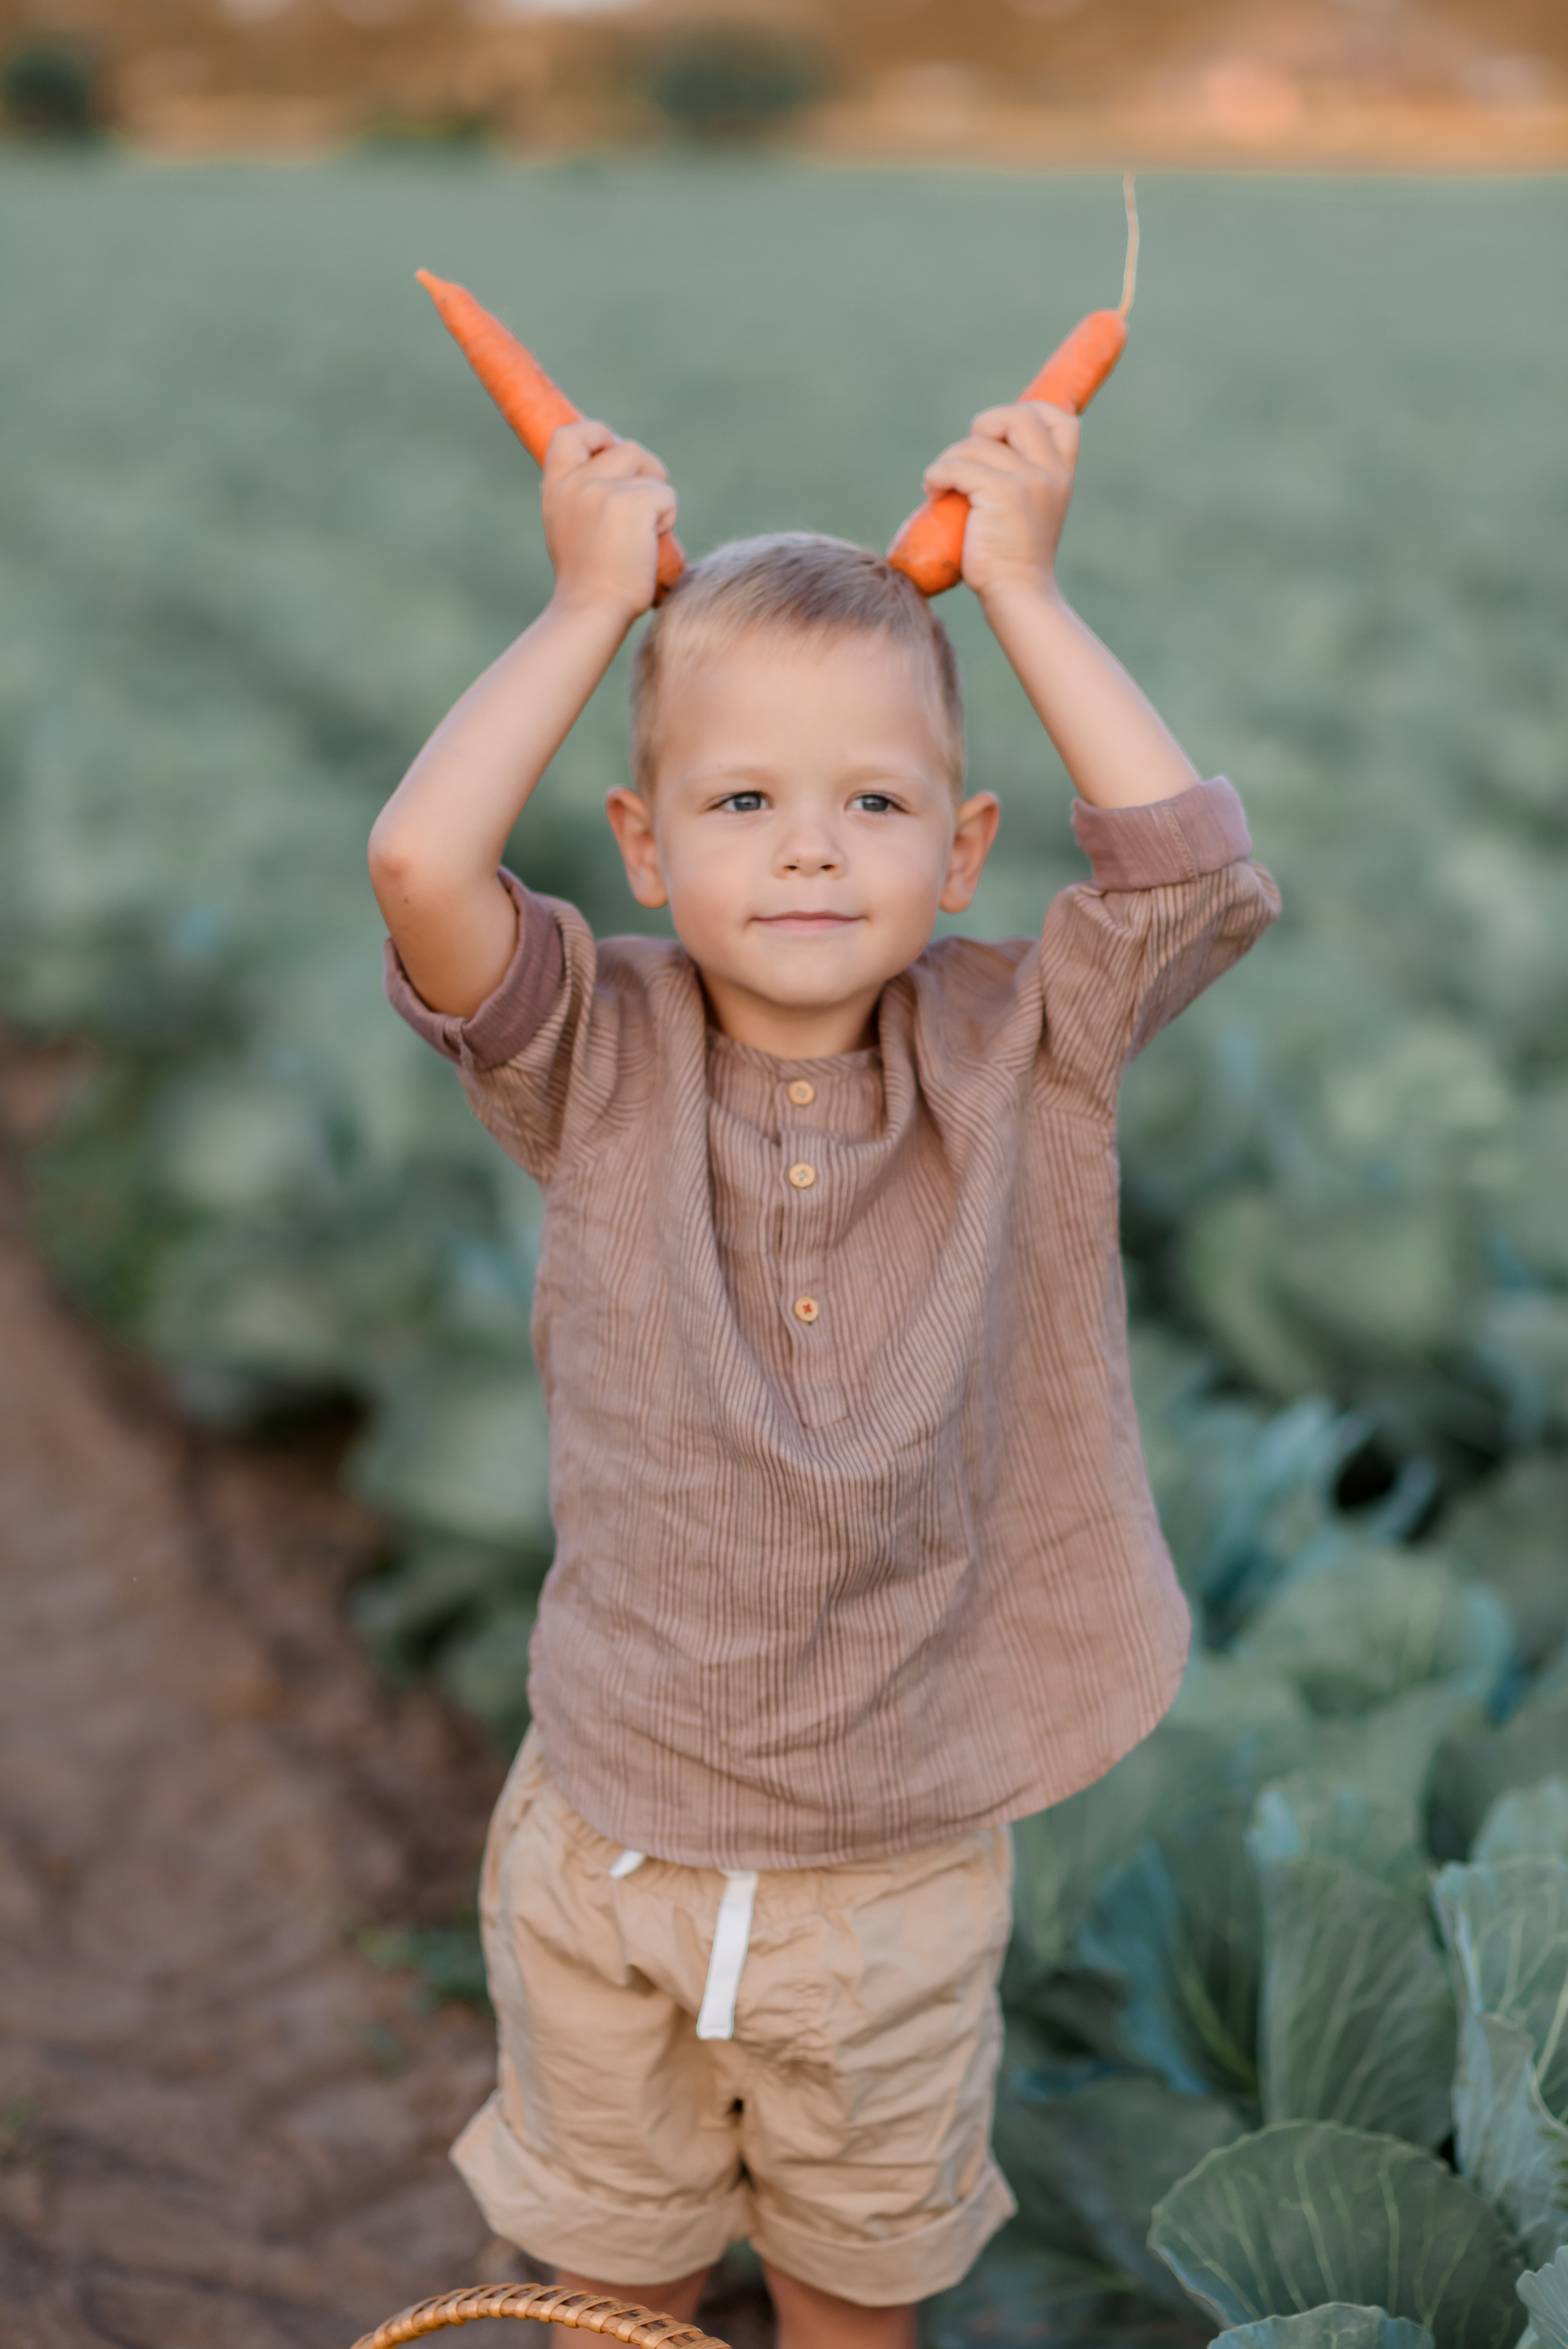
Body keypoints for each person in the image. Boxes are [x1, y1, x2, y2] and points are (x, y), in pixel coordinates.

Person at [368, 392, 1278, 2349]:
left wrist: (1019, 581)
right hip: (611, 1831)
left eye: (871, 804)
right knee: (615, 2294)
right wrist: (585, 610)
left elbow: (1190, 880)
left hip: (896, 1866)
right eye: (740, 801)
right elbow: (419, 863)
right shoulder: (596, 1048)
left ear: (963, 852)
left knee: (851, 2308)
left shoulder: (1027, 1043)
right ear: (641, 842)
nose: (805, 852)